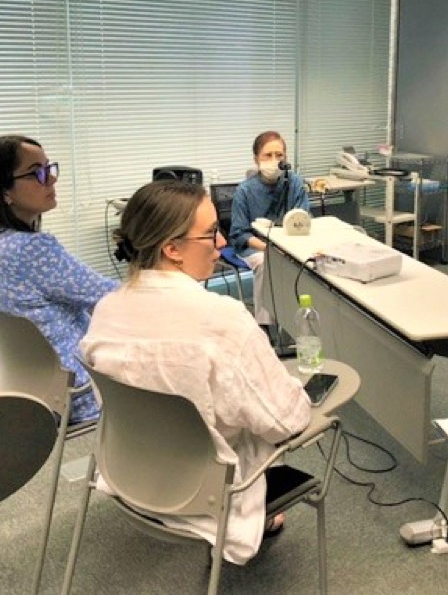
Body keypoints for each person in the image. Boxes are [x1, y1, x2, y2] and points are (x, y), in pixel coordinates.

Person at [80, 180, 310, 564]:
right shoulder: (223, 319)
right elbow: (286, 422)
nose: (222, 243)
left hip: (130, 473)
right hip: (205, 495)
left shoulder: (106, 310)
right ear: (172, 249)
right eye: (211, 233)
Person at [0, 135, 117, 425]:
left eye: (49, 169)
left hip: (24, 380)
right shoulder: (29, 249)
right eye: (37, 173)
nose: (51, 179)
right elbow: (112, 297)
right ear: (3, 190)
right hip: (79, 388)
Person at [228, 131, 310, 327]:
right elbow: (239, 234)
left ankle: (300, 319)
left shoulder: (295, 183)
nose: (274, 160)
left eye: (279, 155)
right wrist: (270, 249)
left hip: (288, 244)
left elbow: (303, 219)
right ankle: (264, 325)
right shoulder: (245, 191)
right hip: (255, 247)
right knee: (267, 262)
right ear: (256, 159)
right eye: (267, 155)